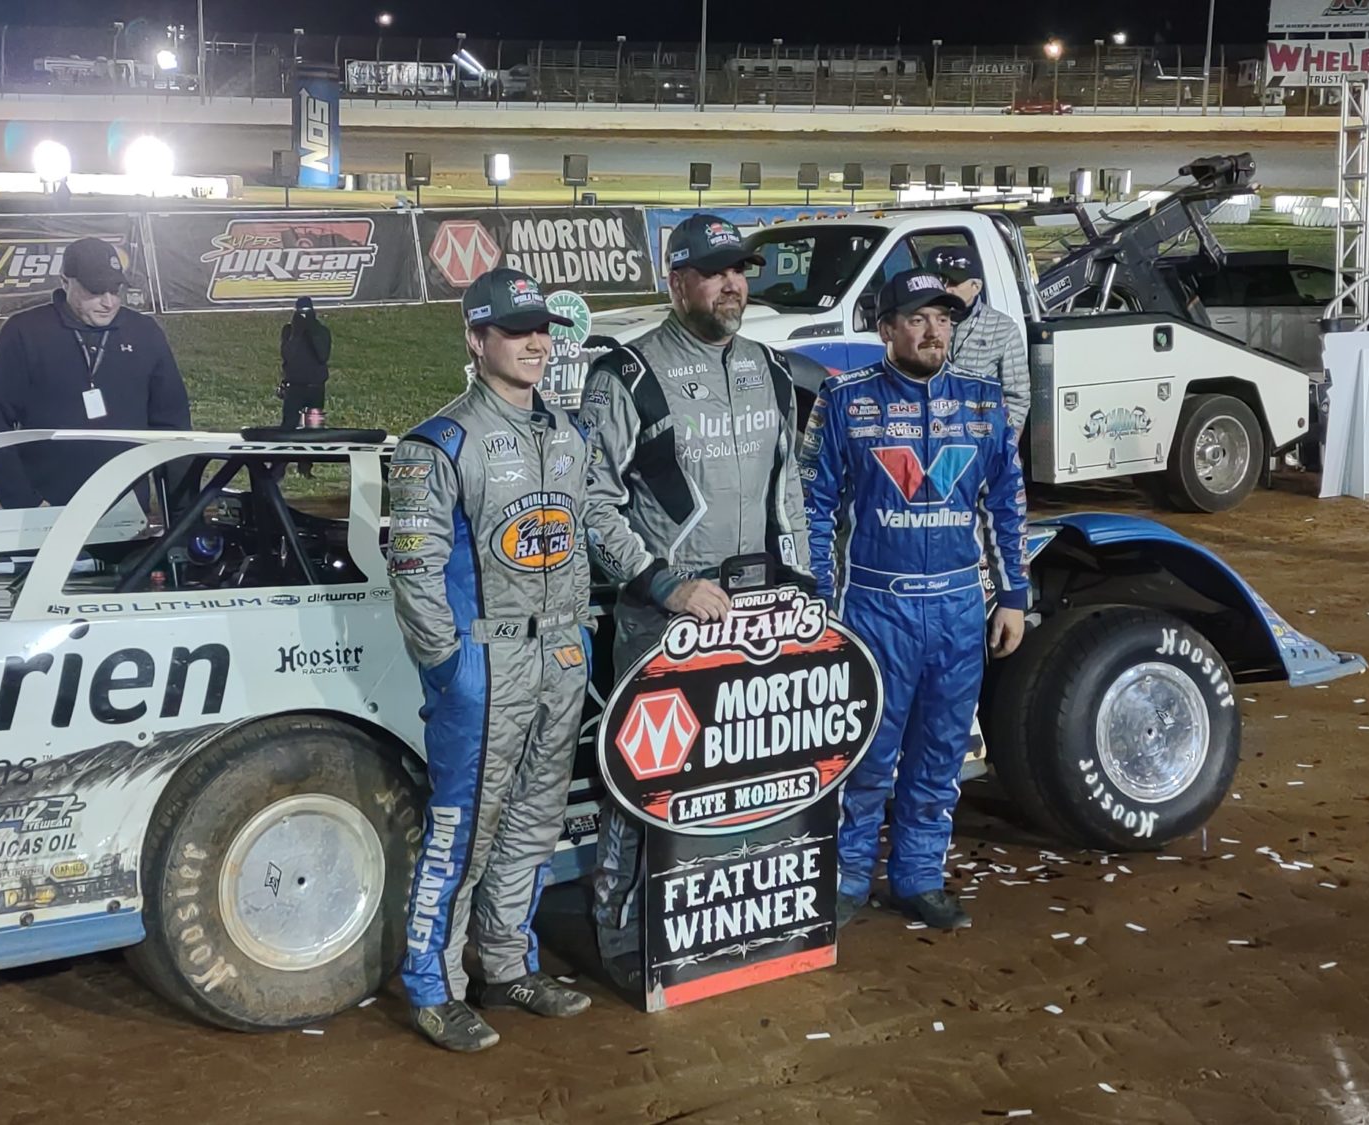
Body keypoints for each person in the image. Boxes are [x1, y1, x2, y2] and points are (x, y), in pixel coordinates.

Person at [576, 213, 812, 991]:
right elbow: (591, 502)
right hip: (665, 616)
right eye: (714, 272)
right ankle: (620, 936)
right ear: (675, 282)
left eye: (739, 269)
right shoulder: (629, 376)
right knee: (646, 777)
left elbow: (794, 495)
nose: (733, 284)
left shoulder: (773, 370)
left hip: (760, 612)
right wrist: (665, 583)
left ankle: (733, 925)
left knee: (749, 768)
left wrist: (806, 586)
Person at [388, 267, 598, 1052]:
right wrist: (450, 667)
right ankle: (433, 986)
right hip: (486, 668)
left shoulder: (569, 434)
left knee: (535, 825)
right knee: (462, 832)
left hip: (560, 658)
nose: (535, 342)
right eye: (515, 330)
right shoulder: (438, 441)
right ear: (477, 341)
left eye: (542, 328)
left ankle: (508, 963)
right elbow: (412, 566)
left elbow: (581, 539)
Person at [800, 268, 1029, 932]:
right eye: (919, 319)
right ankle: (843, 881)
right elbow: (813, 507)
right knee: (866, 758)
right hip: (875, 607)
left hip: (961, 609)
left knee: (939, 755)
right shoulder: (845, 399)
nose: (935, 331)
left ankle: (919, 878)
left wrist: (1012, 595)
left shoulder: (985, 403)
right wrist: (822, 601)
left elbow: (1007, 504)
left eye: (944, 319)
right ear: (886, 330)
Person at [0, 237, 189, 509]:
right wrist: (25, 503)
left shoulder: (145, 333)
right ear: (65, 281)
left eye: (114, 290)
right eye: (95, 291)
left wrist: (182, 510)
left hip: (128, 511)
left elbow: (173, 425)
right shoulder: (25, 332)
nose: (108, 302)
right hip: (47, 510)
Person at [924, 245, 1031, 433]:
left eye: (953, 282)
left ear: (976, 287)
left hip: (981, 436)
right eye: (940, 280)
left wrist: (1007, 444)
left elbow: (1017, 396)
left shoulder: (1003, 328)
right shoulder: (917, 326)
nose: (945, 288)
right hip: (930, 435)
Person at [278, 296, 332, 431]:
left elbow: (323, 355)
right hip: (294, 387)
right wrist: (296, 333)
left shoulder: (322, 331)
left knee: (314, 428)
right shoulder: (289, 331)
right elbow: (288, 355)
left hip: (315, 387)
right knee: (288, 427)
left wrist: (312, 331)